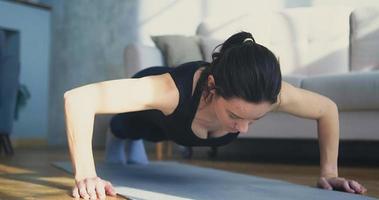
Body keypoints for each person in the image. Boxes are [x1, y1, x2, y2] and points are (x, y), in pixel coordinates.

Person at [64, 31, 367, 199]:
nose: (244, 129)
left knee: (157, 135)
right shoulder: (168, 91)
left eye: (255, 119)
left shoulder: (270, 94)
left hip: (176, 125)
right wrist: (86, 174)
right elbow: (77, 99)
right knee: (130, 128)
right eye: (236, 115)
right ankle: (120, 137)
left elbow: (327, 109)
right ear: (212, 86)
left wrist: (329, 172)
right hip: (151, 111)